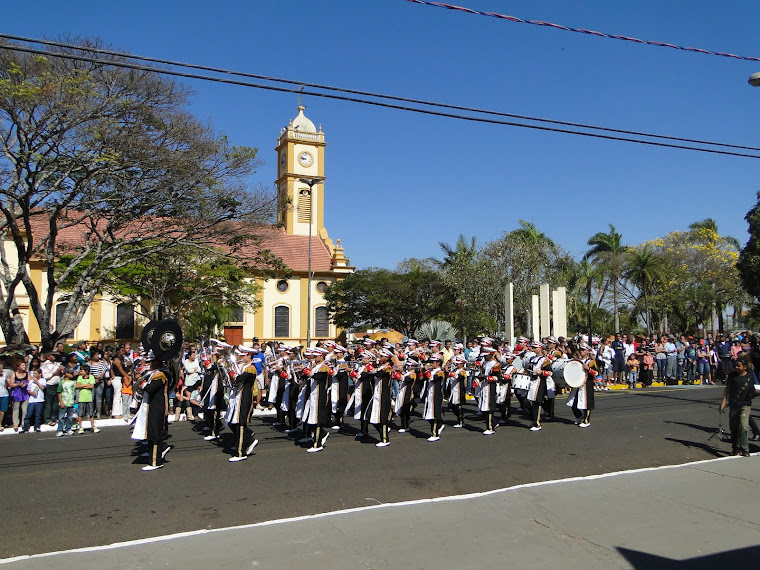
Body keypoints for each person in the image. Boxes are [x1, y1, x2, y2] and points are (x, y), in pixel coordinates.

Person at [131, 352, 172, 471]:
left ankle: (155, 462)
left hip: (157, 408)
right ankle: (155, 456)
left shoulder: (161, 375)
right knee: (150, 433)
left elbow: (150, 388)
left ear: (156, 362)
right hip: (150, 406)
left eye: (151, 362)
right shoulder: (153, 374)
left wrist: (140, 380)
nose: (149, 364)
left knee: (155, 434)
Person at [719, 353, 759, 457]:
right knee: (734, 427)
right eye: (736, 366)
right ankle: (735, 448)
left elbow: (753, 390)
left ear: (744, 367)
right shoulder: (732, 376)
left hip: (745, 404)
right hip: (733, 404)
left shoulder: (749, 376)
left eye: (739, 366)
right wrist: (723, 402)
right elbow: (727, 389)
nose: (736, 367)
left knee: (743, 425)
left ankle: (745, 448)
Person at [225, 347, 259, 461]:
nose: (240, 357)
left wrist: (233, 375)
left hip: (244, 398)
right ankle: (249, 439)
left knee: (240, 423)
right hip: (236, 397)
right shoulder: (241, 366)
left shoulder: (251, 368)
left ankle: (240, 453)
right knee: (231, 422)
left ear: (249, 356)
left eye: (243, 355)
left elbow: (240, 378)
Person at [75, 365, 99, 433]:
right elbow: (77, 385)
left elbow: (91, 386)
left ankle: (93, 426)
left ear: (86, 371)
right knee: (80, 414)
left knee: (91, 413)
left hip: (89, 398)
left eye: (82, 371)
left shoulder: (91, 377)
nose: (80, 372)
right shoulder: (79, 377)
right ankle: (80, 427)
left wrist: (82, 386)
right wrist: (86, 385)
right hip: (81, 398)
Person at [41, 353, 63, 425]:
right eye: (52, 355)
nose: (54, 357)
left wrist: (61, 371)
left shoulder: (57, 364)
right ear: (48, 356)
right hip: (50, 385)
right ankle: (47, 419)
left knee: (56, 403)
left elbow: (61, 374)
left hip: (58, 384)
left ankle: (54, 417)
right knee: (49, 403)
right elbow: (45, 376)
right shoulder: (45, 365)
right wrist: (56, 371)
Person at [8, 361, 30, 432]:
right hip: (17, 393)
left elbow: (30, 382)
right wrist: (18, 384)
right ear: (18, 367)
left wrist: (26, 384)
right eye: (22, 365)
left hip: (25, 393)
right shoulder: (14, 374)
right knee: (16, 408)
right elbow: (11, 384)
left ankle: (24, 423)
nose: (24, 367)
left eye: (24, 365)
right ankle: (15, 423)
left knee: (25, 409)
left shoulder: (27, 374)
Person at [56, 367, 77, 436]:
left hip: (71, 402)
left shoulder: (73, 382)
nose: (72, 374)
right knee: (61, 417)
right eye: (71, 373)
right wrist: (61, 402)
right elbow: (59, 392)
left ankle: (68, 428)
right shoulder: (62, 382)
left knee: (69, 417)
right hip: (64, 402)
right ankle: (60, 430)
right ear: (66, 374)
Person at [23, 368, 45, 432]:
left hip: (39, 400)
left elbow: (42, 387)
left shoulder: (42, 380)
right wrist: (31, 392)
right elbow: (28, 390)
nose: (34, 375)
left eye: (35, 373)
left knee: (38, 414)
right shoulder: (31, 381)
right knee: (28, 414)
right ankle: (25, 427)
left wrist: (37, 381)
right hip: (32, 400)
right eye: (33, 373)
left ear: (40, 374)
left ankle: (37, 427)